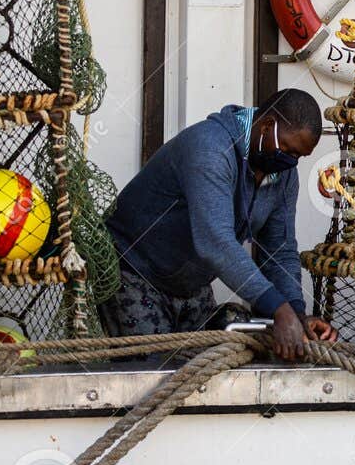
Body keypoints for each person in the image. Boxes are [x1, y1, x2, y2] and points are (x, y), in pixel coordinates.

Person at [104, 88, 338, 360]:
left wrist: (296, 313)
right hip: (135, 273)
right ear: (267, 125)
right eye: (286, 149)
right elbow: (216, 242)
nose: (290, 161)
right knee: (149, 379)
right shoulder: (211, 148)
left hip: (191, 286)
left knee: (199, 377)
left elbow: (279, 251)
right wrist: (277, 308)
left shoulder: (283, 175)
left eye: (298, 157)